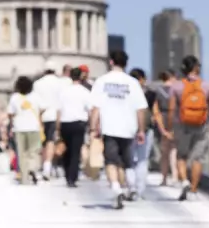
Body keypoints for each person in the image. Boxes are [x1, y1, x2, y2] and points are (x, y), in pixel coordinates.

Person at [88, 50, 147, 209]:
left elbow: (95, 108)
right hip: (128, 128)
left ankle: (116, 188)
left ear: (111, 62)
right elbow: (140, 109)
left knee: (111, 161)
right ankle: (126, 188)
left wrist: (93, 128)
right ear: (126, 63)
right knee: (125, 162)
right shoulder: (133, 83)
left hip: (109, 127)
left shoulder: (102, 81)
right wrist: (141, 130)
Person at [168, 56, 209, 201]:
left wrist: (170, 128)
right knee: (197, 158)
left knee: (181, 156)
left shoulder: (176, 86)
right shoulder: (207, 86)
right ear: (197, 68)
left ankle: (184, 181)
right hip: (201, 125)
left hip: (182, 125)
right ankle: (193, 190)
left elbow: (171, 110)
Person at [128, 68, 172, 198]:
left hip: (128, 129)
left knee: (129, 159)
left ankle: (131, 187)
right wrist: (163, 130)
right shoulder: (150, 94)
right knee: (143, 159)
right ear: (142, 79)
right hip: (146, 129)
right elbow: (156, 113)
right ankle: (140, 189)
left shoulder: (126, 93)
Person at [56, 67, 91, 187]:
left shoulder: (64, 92)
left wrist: (57, 127)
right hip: (79, 123)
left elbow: (59, 111)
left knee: (67, 150)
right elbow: (90, 110)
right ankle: (72, 177)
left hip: (65, 123)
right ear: (81, 76)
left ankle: (67, 174)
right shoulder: (85, 92)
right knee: (76, 151)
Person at [7, 75, 43, 185]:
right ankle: (32, 168)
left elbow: (10, 114)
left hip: (19, 128)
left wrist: (11, 127)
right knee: (34, 151)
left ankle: (24, 178)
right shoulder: (36, 96)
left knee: (21, 153)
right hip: (34, 127)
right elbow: (42, 109)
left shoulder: (14, 97)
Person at [32, 60, 65, 180]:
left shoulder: (37, 84)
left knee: (43, 142)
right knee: (52, 141)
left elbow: (35, 101)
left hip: (41, 116)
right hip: (55, 115)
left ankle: (45, 165)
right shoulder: (60, 83)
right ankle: (48, 166)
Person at [155, 70, 179, 186]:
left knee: (164, 152)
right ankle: (175, 176)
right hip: (176, 119)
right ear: (172, 77)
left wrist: (161, 128)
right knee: (174, 150)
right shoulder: (178, 89)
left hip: (163, 119)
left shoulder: (157, 90)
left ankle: (164, 178)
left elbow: (156, 110)